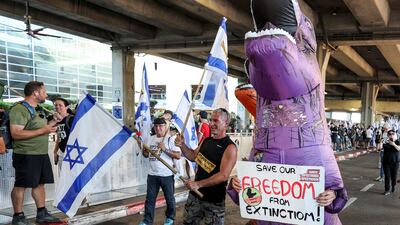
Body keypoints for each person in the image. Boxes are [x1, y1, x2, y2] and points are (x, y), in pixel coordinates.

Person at [10, 81, 63, 225]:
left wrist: (54, 122)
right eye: (44, 91)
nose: (46, 94)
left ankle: (41, 213)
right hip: (26, 154)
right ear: (35, 93)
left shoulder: (39, 109)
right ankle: (18, 216)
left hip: (40, 153)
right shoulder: (19, 110)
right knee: (21, 185)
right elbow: (16, 133)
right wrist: (43, 130)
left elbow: (42, 128)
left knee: (40, 184)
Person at [174, 108, 238, 225]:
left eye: (216, 121)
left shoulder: (230, 147)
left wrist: (197, 184)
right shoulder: (206, 140)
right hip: (195, 196)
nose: (211, 124)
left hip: (214, 200)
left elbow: (223, 175)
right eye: (210, 120)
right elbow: (193, 156)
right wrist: (182, 145)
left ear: (226, 124)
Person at [139, 117, 181, 225]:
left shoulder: (170, 139)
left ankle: (170, 217)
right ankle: (147, 220)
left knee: (169, 198)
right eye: (156, 126)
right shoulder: (150, 138)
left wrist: (165, 149)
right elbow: (145, 155)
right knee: (150, 199)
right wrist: (145, 151)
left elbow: (177, 155)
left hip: (166, 174)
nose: (158, 128)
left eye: (161, 126)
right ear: (154, 127)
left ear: (165, 127)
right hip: (152, 174)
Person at [52, 97, 74, 174]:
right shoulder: (58, 120)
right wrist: (55, 151)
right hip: (62, 152)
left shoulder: (72, 119)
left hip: (72, 153)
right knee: (62, 177)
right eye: (56, 105)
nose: (57, 107)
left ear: (66, 107)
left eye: (60, 105)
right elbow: (60, 136)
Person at [382, 130, 400, 195]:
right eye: (390, 134)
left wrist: (393, 144)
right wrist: (383, 142)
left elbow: (398, 149)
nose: (391, 135)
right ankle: (387, 190)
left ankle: (393, 186)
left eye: (392, 133)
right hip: (386, 162)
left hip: (395, 162)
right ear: (388, 135)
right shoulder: (386, 142)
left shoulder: (398, 141)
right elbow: (383, 148)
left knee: (394, 176)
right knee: (387, 176)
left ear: (394, 134)